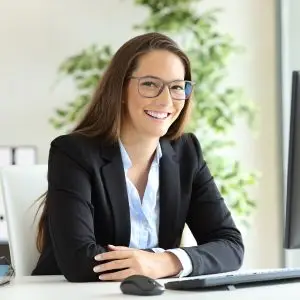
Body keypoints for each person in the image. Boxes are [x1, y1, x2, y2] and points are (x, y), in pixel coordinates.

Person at [32, 32, 244, 282]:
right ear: (120, 89)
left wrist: (163, 262)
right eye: (150, 84)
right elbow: (79, 261)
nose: (166, 100)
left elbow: (230, 246)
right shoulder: (73, 153)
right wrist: (154, 262)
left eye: (177, 87)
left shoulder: (187, 152)